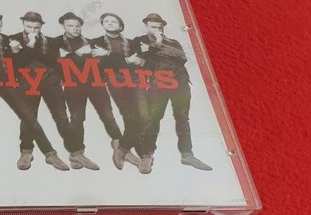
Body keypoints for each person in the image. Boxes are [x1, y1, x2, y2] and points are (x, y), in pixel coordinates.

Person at [0, 10, 65, 170]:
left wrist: (15, 51)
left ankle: (50, 153)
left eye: (1, 26)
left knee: (28, 117)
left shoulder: (7, 40)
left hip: (8, 82)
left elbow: (21, 62)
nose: (0, 29)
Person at [136, 13, 212, 173]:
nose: (157, 30)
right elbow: (142, 58)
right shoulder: (140, 41)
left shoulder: (174, 42)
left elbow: (182, 57)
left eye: (160, 27)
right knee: (153, 118)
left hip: (181, 82)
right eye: (153, 27)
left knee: (183, 118)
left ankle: (187, 154)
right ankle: (147, 155)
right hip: (159, 83)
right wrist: (158, 44)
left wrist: (157, 48)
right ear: (146, 26)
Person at [8, 12, 82, 170]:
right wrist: (29, 45)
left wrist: (60, 78)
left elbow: (56, 62)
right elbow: (18, 62)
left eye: (36, 27)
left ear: (41, 26)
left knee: (61, 117)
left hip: (50, 81)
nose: (32, 30)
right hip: (27, 81)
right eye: (29, 27)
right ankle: (26, 152)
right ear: (23, 24)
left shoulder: (51, 41)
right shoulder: (13, 39)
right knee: (29, 117)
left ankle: (76, 153)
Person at [52, 12, 122, 169]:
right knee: (77, 118)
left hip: (95, 83)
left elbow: (105, 62)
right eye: (71, 25)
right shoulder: (55, 43)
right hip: (73, 85)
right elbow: (55, 63)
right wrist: (77, 54)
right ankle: (77, 154)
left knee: (108, 115)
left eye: (77, 25)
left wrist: (103, 61)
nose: (75, 28)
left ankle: (120, 148)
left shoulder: (90, 42)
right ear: (63, 26)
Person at [91, 13, 148, 172]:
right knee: (129, 117)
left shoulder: (132, 43)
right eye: (106, 21)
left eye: (114, 21)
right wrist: (125, 60)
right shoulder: (97, 42)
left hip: (135, 79)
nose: (110, 23)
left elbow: (141, 62)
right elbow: (102, 64)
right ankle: (140, 154)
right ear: (102, 25)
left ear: (121, 26)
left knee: (144, 116)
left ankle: (122, 149)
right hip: (114, 79)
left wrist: (109, 55)